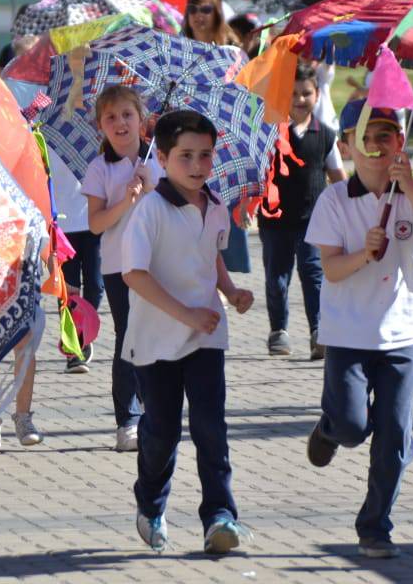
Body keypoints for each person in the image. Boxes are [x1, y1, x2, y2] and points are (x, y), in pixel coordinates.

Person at [304, 100, 413, 559]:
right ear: (346, 146)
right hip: (348, 334)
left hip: (402, 335)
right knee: (353, 427)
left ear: (399, 143)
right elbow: (330, 270)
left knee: (392, 437)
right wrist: (363, 254)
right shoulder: (333, 200)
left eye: (384, 137)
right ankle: (330, 428)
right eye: (364, 138)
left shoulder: (412, 191)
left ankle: (375, 526)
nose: (374, 146)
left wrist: (411, 187)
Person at [121, 110, 254, 554]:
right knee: (161, 433)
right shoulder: (150, 210)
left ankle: (220, 516)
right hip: (155, 341)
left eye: (205, 155)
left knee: (210, 427)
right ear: (161, 158)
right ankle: (150, 504)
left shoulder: (215, 206)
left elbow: (210, 254)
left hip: (206, 337)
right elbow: (134, 274)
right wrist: (185, 314)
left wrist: (230, 291)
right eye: (185, 156)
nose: (198, 165)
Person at [82, 85, 162, 452]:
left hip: (158, 262)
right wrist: (126, 200)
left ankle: (155, 409)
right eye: (111, 117)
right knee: (128, 336)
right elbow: (96, 224)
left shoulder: (158, 160)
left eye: (127, 115)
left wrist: (152, 185)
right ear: (100, 125)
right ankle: (127, 419)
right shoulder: (99, 168)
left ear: (141, 119)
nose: (120, 123)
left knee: (156, 336)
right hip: (119, 266)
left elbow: (176, 206)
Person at [259, 65, 345, 359]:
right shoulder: (270, 133)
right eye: (293, 93)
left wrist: (352, 207)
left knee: (313, 276)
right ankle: (278, 331)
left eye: (306, 93)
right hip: (275, 221)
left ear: (317, 94)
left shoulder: (326, 136)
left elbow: (338, 177)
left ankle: (318, 332)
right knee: (277, 278)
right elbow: (258, 173)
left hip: (313, 222)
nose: (299, 99)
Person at [181, 0, 250, 274]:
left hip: (224, 146)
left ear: (218, 13)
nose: (198, 16)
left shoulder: (232, 54)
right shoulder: (180, 51)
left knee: (221, 220)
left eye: (206, 9)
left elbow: (245, 104)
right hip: (187, 144)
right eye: (193, 9)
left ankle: (221, 283)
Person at [54, 146, 103, 374]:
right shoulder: (43, 131)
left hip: (94, 219)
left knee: (96, 285)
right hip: (63, 223)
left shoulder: (96, 134)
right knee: (68, 290)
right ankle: (74, 347)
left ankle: (84, 330)